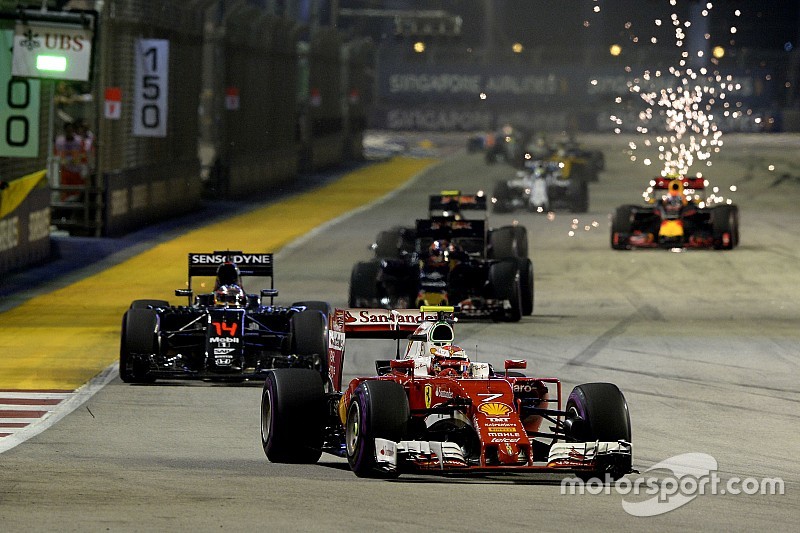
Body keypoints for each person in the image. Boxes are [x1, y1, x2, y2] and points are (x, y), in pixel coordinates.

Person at [53, 122, 86, 201]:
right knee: (65, 193)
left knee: (77, 194)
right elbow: (56, 156)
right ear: (65, 131)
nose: (69, 133)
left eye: (71, 131)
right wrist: (62, 160)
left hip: (76, 172)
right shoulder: (59, 142)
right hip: (65, 172)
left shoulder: (79, 141)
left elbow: (83, 155)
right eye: (68, 131)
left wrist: (78, 159)